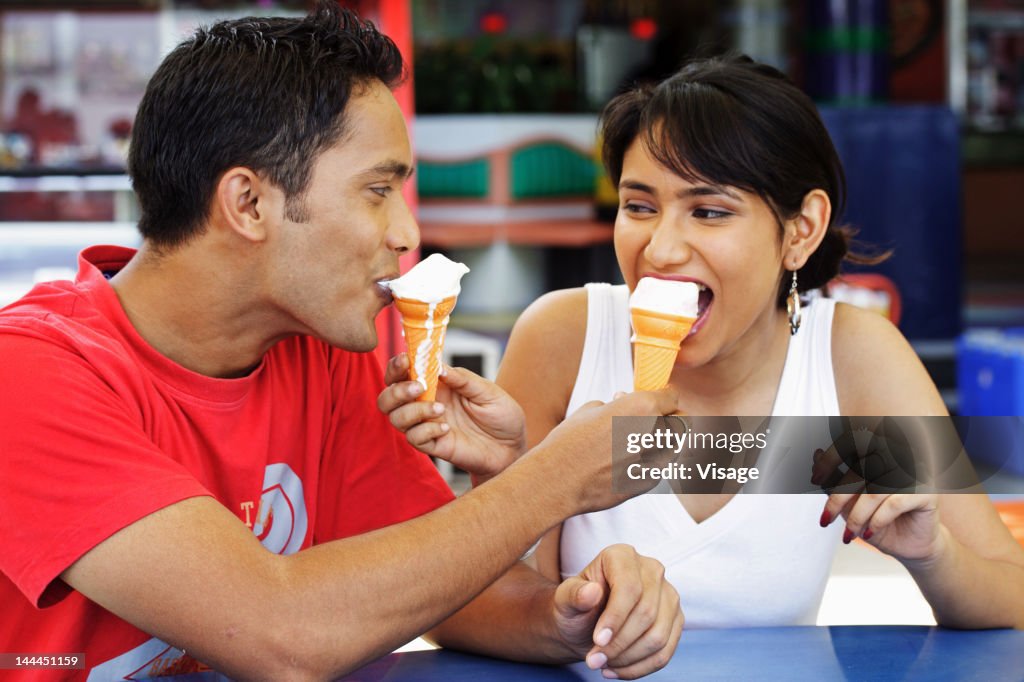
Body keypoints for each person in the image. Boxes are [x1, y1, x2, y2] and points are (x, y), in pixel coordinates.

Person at [0, 4, 685, 680]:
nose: (408, 234)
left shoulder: (319, 349)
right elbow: (283, 635)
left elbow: (433, 591)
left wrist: (570, 617)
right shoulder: (26, 374)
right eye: (377, 190)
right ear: (248, 204)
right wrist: (554, 478)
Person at [490, 54, 1024, 629]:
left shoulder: (850, 358)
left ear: (802, 231)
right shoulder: (565, 339)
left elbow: (1013, 594)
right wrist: (571, 613)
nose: (661, 249)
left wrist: (931, 554)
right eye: (639, 206)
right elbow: (482, 594)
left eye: (710, 211)